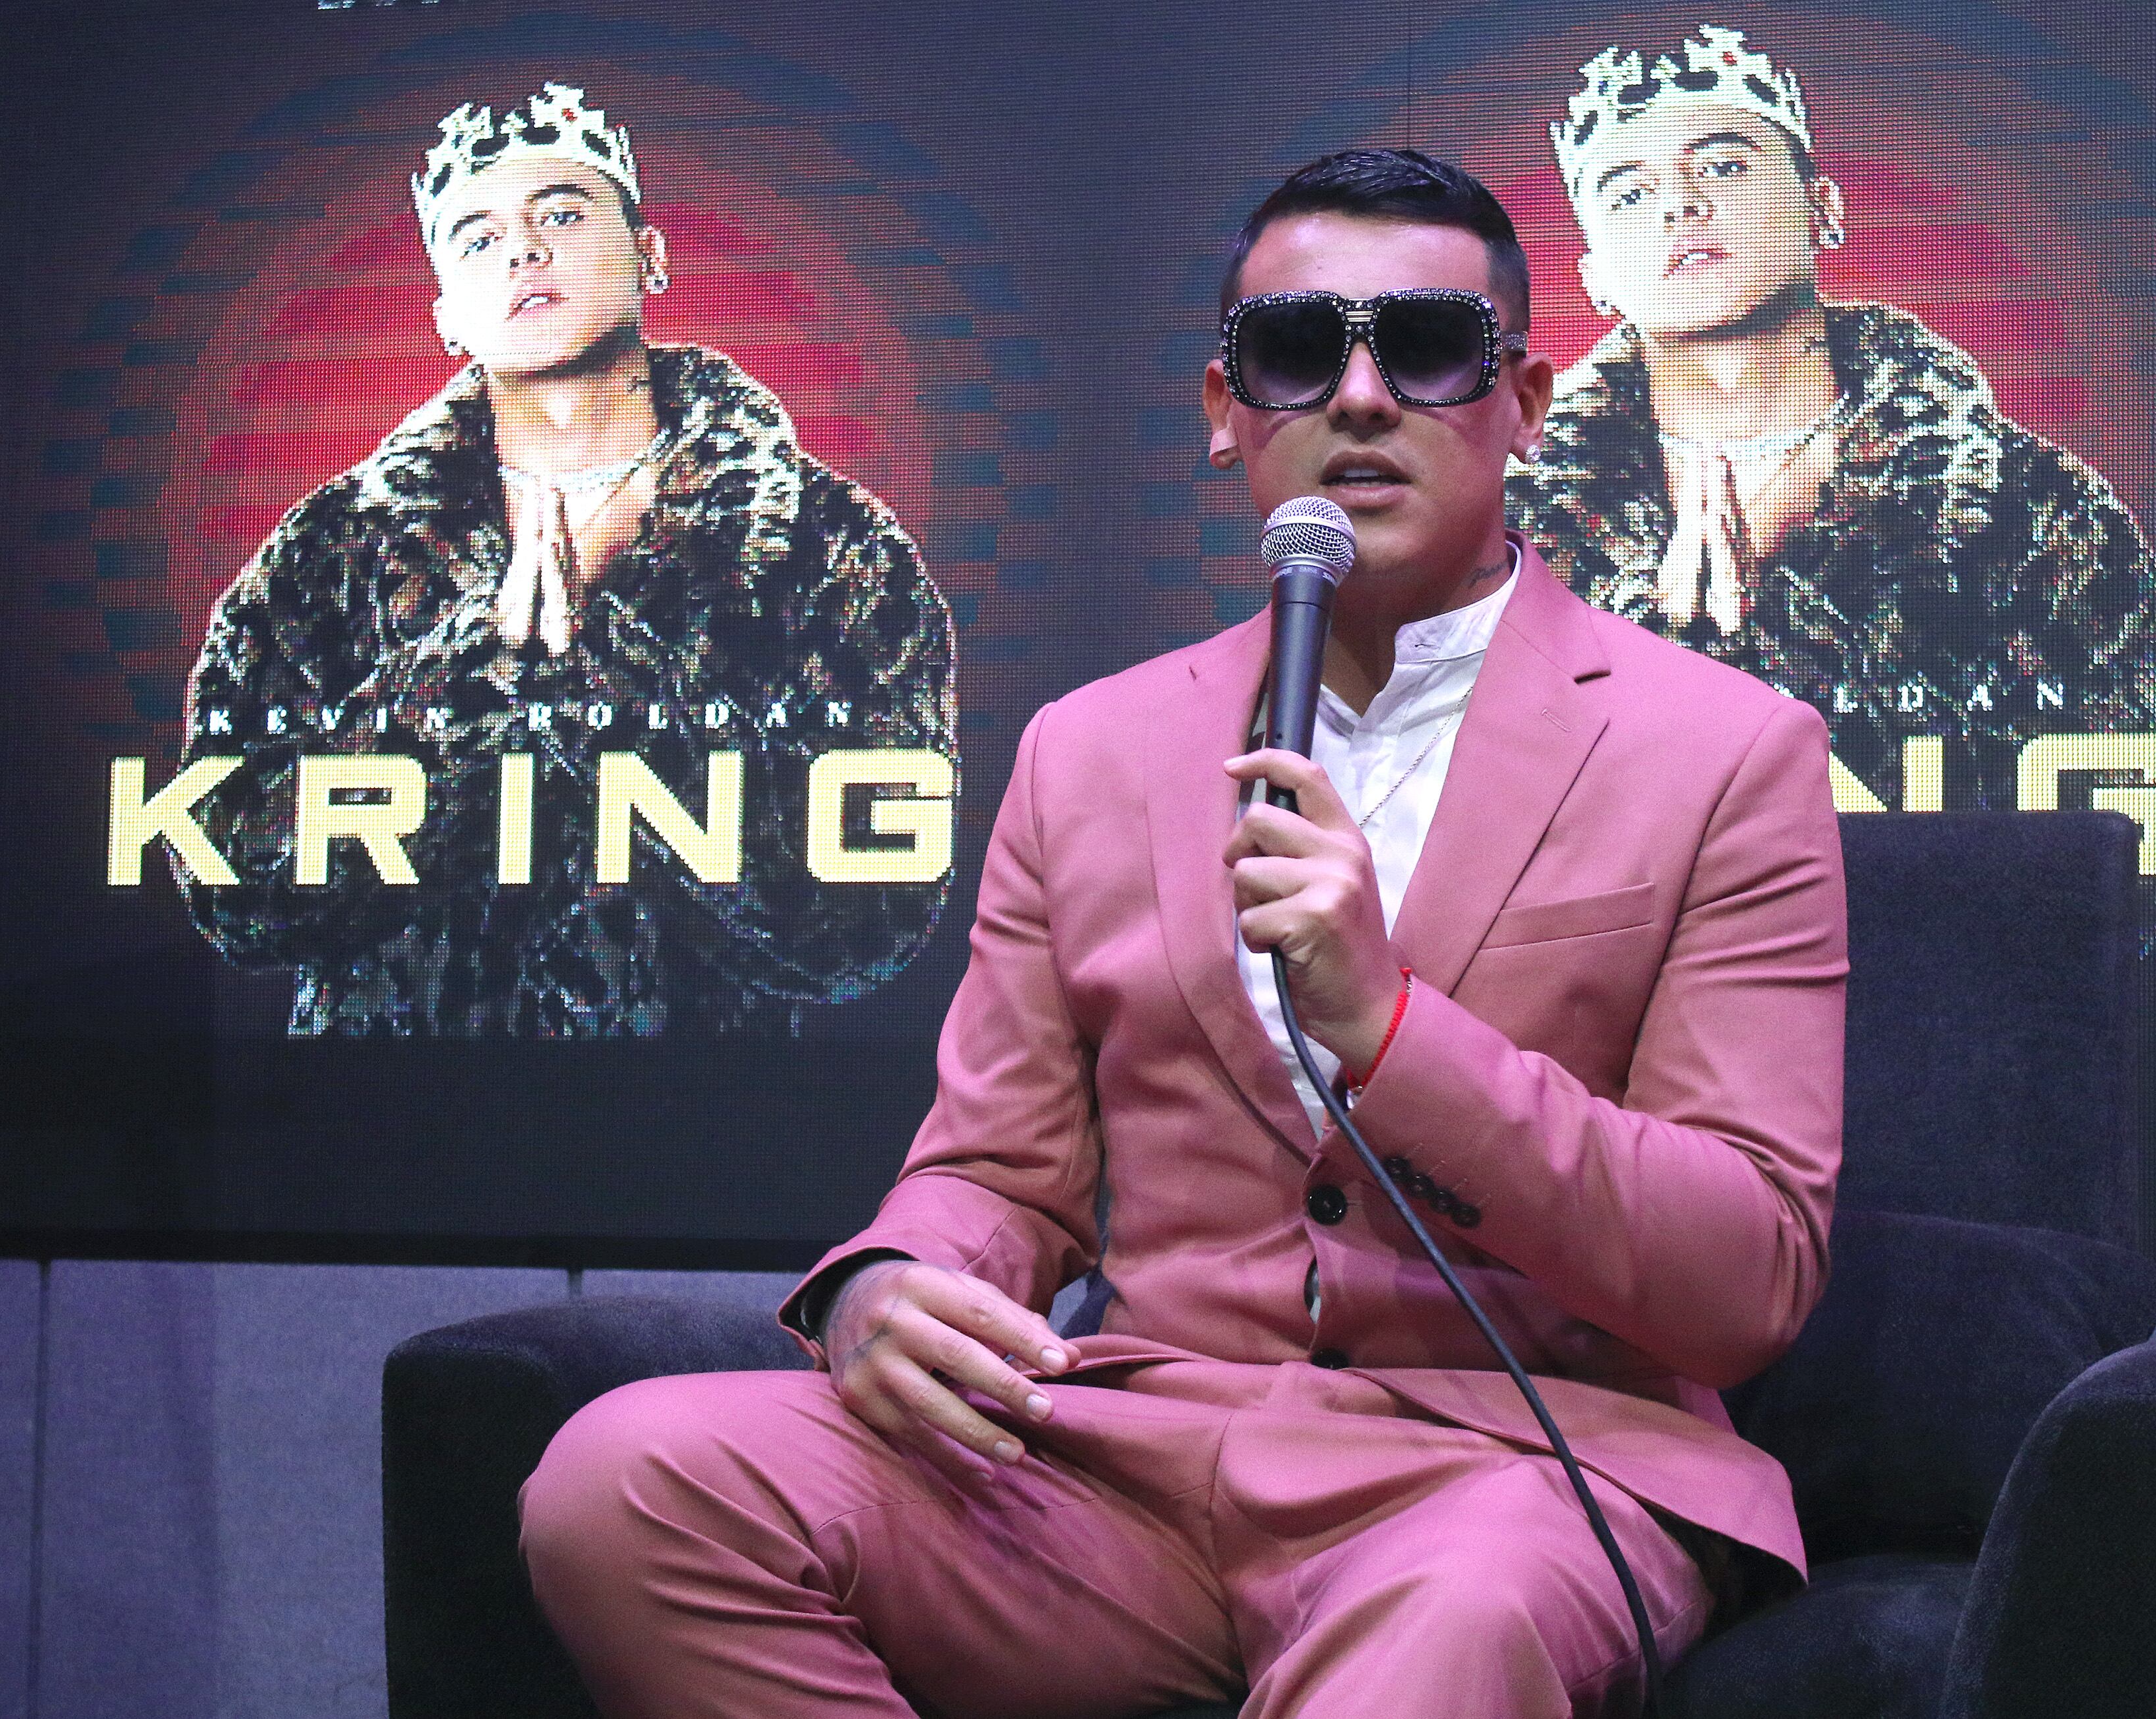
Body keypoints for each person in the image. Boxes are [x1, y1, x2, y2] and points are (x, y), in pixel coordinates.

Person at [519, 149, 1844, 1716]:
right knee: (627, 1480)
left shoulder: (1722, 752)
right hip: (1122, 1461)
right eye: (1296, 353)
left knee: (1454, 1627)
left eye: (1427, 349)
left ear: (1523, 406)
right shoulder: (1091, 748)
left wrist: (1390, 1030)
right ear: (1227, 412)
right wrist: (891, 1280)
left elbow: (1743, 1277)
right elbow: (996, 1175)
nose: (1361, 399)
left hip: (1510, 1474)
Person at [176, 83, 955, 1034]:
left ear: (651, 255)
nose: (523, 250)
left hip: (716, 1106)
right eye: (478, 238)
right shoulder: (331, 554)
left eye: (561, 214)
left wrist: (616, 681)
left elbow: (873, 918)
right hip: (381, 1102)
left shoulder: (830, 545)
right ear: (446, 315)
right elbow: (231, 892)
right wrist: (467, 680)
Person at [1510, 26, 2156, 934]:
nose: (1680, 206)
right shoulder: (1507, 534)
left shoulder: (2033, 509)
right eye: (1630, 193)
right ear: (1594, 274)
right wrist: (1661, 664)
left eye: (1724, 166)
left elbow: (2120, 868)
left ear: (1822, 205)